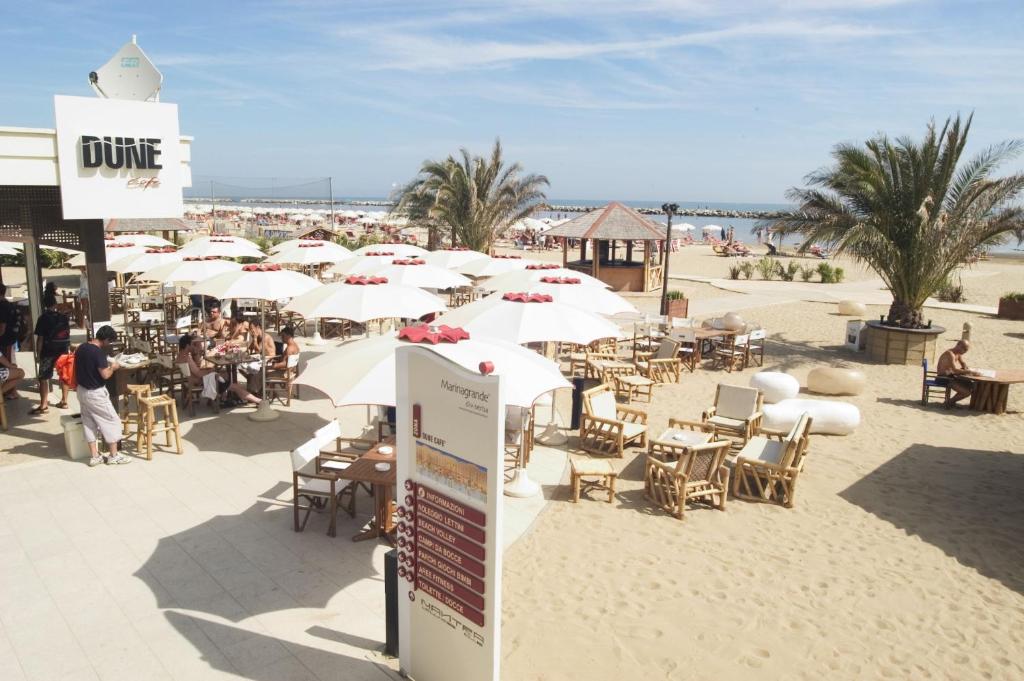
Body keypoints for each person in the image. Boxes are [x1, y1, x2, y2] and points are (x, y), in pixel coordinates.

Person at [74, 325, 130, 466]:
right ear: (105, 339)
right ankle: (113, 455)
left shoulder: (81, 347)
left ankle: (94, 456)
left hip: (81, 390)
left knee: (88, 423)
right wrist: (113, 367)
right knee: (111, 421)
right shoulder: (97, 353)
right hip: (95, 393)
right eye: (109, 341)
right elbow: (105, 375)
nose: (109, 344)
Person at [226, 323, 296, 407]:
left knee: (258, 371)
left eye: (283, 336)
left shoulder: (289, 348)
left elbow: (284, 364)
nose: (281, 338)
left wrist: (271, 366)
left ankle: (255, 394)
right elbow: (251, 349)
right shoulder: (293, 346)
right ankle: (254, 391)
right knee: (246, 368)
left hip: (283, 372)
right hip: (283, 368)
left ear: (288, 336)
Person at [31, 291, 71, 414]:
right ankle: (64, 401)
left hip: (48, 352)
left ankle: (43, 405)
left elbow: (40, 339)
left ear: (44, 304)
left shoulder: (43, 318)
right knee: (63, 375)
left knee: (44, 377)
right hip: (63, 350)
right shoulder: (63, 317)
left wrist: (38, 354)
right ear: (55, 304)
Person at [936, 339, 978, 408]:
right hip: (943, 377)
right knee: (967, 392)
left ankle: (951, 402)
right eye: (964, 349)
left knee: (971, 385)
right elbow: (955, 370)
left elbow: (962, 363)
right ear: (958, 345)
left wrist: (964, 365)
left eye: (966, 350)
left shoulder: (958, 353)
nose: (965, 351)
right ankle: (949, 402)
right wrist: (970, 372)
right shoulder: (950, 354)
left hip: (951, 376)